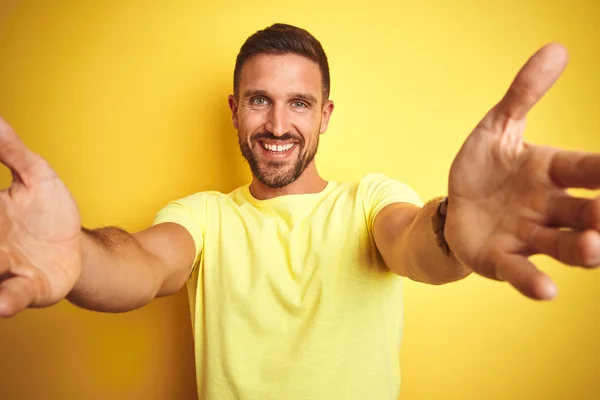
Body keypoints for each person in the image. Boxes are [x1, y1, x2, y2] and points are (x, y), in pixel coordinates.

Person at [0, 22, 598, 399]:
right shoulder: (203, 217)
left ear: (326, 115)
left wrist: (453, 229)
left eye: (300, 104)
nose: (278, 125)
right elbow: (139, 264)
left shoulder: (369, 201)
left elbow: (415, 244)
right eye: (260, 101)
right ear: (235, 110)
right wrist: (74, 252)